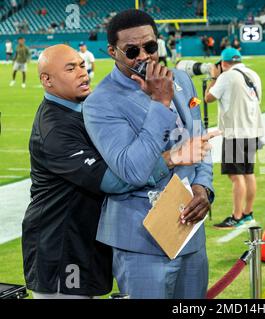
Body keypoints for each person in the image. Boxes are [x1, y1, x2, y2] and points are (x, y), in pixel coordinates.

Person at [82, 9, 217, 299]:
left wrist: (202, 187)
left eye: (150, 47)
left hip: (190, 231)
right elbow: (132, 169)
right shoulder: (99, 103)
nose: (143, 56)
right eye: (132, 50)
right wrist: (160, 102)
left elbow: (200, 143)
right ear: (112, 52)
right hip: (141, 241)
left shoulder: (181, 79)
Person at [22, 44, 160, 299]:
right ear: (47, 80)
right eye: (71, 68)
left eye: (82, 65)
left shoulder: (85, 110)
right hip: (62, 247)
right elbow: (114, 181)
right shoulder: (54, 130)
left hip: (87, 239)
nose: (82, 73)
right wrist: (167, 160)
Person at [205, 48, 263, 229]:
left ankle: (236, 217)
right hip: (252, 130)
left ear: (223, 63)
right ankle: (248, 213)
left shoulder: (226, 76)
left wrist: (214, 77)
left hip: (235, 133)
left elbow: (208, 98)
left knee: (236, 177)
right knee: (248, 173)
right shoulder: (253, 74)